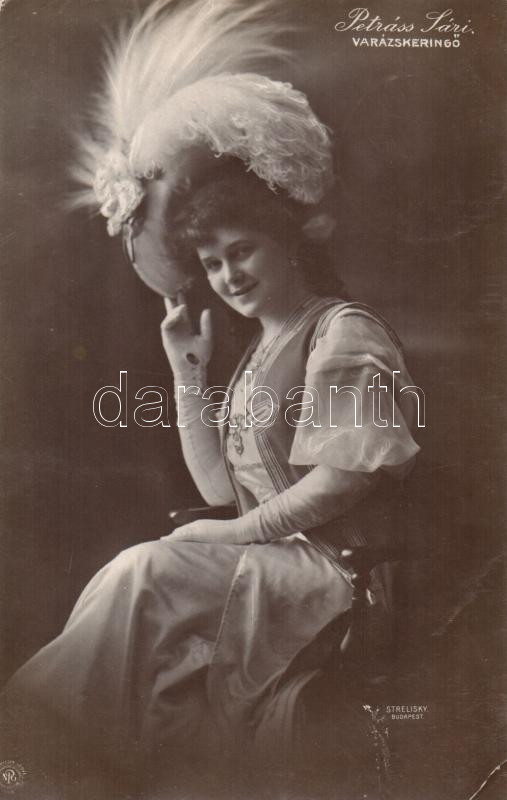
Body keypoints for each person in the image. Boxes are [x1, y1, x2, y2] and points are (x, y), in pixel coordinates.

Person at [0, 2, 420, 797]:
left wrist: (232, 536)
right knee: (134, 577)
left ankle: (32, 750)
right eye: (213, 263)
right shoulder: (261, 352)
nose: (228, 277)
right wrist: (186, 374)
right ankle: (47, 755)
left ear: (288, 240)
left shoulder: (342, 334)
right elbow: (220, 489)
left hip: (334, 574)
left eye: (242, 250)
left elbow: (345, 480)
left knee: (144, 571)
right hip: (274, 562)